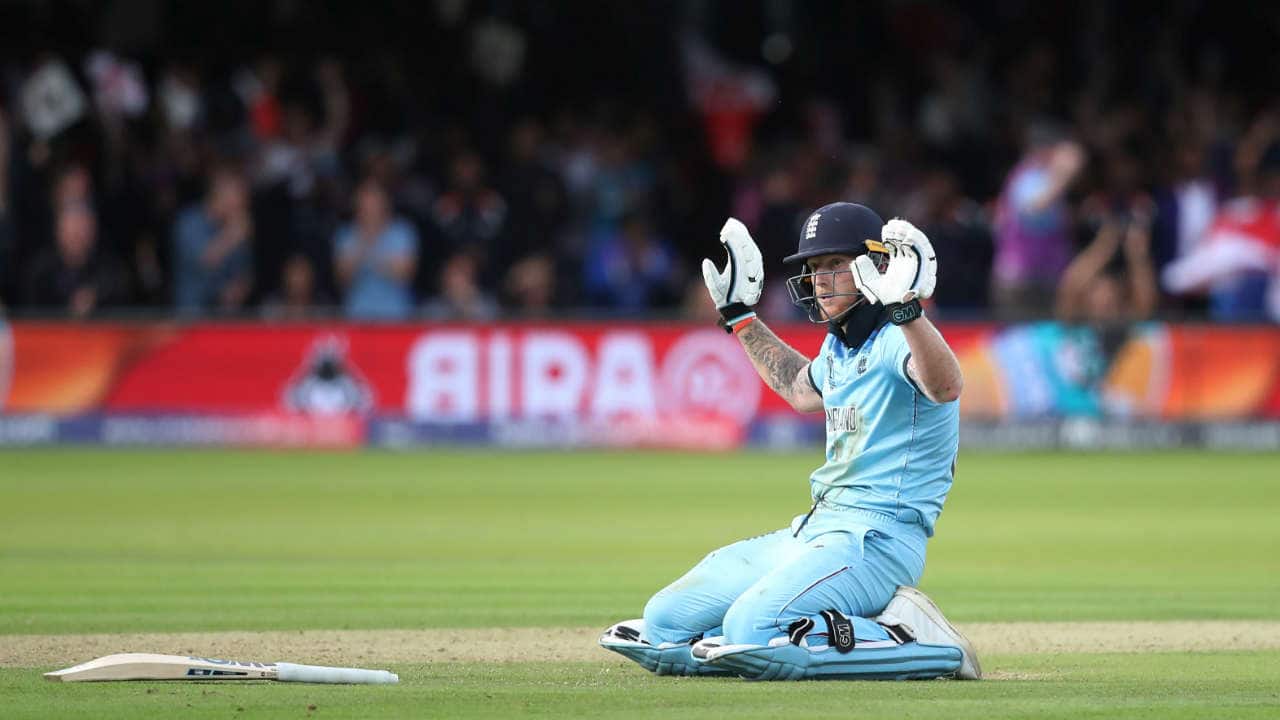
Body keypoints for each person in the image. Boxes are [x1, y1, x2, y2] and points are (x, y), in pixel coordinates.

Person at [600, 202, 980, 681]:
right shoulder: (841, 346)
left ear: (876, 266)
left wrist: (907, 311)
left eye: (835, 266)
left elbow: (946, 386)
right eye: (814, 268)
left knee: (751, 628)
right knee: (664, 621)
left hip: (878, 541)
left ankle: (915, 638)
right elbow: (800, 388)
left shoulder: (896, 338)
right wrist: (740, 318)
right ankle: (771, 639)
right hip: (815, 531)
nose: (821, 280)